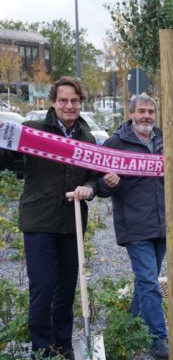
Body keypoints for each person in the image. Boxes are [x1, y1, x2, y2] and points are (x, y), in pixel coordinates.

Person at [97, 93, 173, 359]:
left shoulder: (163, 141)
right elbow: (100, 184)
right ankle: (158, 339)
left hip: (164, 225)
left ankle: (129, 326)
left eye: (150, 111)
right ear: (131, 113)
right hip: (135, 225)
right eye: (141, 111)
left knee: (144, 281)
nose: (146, 116)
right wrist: (106, 184)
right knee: (149, 281)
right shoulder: (116, 143)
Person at [0, 76, 98, 359]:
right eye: (64, 100)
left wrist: (89, 190)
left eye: (74, 101)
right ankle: (42, 348)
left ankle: (63, 345)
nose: (69, 106)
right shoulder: (32, 131)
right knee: (42, 287)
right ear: (53, 102)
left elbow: (94, 178)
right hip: (39, 220)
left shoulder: (87, 139)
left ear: (81, 103)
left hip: (72, 222)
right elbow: (5, 160)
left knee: (66, 289)